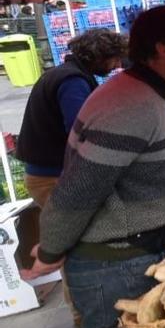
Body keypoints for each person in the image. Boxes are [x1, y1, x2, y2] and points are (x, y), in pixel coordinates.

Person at [21, 6, 165, 328]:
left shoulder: (140, 93)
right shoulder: (129, 106)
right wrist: (49, 251)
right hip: (116, 270)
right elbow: (79, 189)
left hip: (130, 257)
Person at [18, 29, 128, 207]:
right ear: (99, 56)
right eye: (114, 59)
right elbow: (81, 131)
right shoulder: (72, 81)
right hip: (52, 176)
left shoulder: (67, 74)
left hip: (50, 173)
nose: (117, 65)